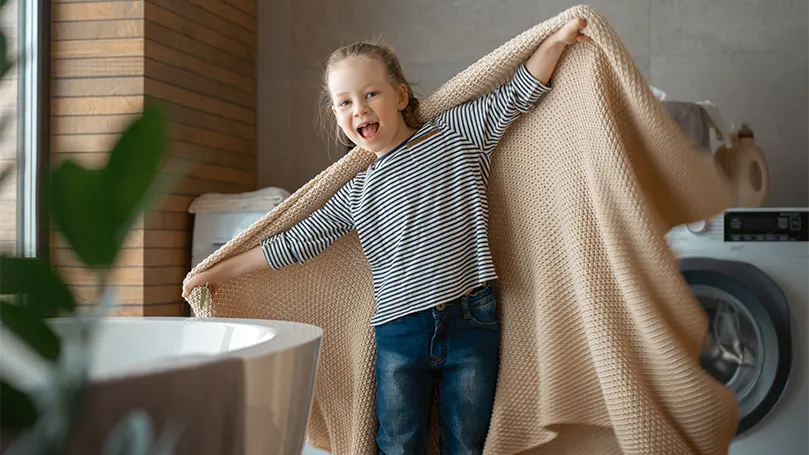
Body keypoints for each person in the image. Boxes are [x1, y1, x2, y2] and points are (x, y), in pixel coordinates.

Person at [183, 17, 589, 455]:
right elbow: (297, 241)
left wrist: (559, 39)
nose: (359, 109)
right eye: (344, 102)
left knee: (468, 441)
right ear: (336, 115)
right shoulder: (356, 190)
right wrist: (216, 270)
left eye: (370, 93)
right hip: (399, 330)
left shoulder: (457, 133)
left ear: (399, 95)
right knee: (398, 440)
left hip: (472, 316)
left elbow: (518, 91)